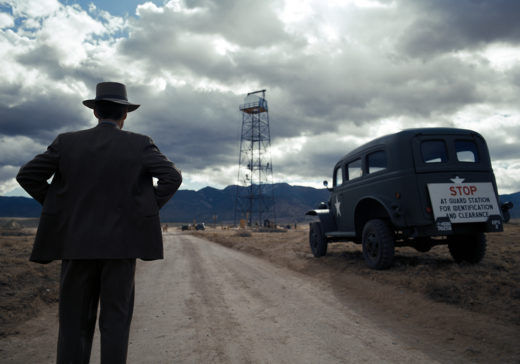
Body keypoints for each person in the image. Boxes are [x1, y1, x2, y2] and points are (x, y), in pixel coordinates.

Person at [16, 82, 182, 363]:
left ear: (95, 112)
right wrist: (141, 210)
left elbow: (27, 175)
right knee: (115, 324)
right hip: (121, 249)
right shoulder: (139, 143)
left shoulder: (66, 142)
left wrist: (61, 206)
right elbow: (172, 177)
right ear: (125, 115)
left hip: (75, 246)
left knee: (73, 326)